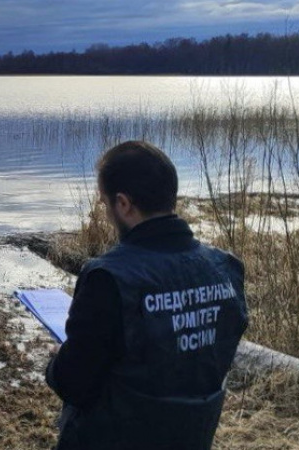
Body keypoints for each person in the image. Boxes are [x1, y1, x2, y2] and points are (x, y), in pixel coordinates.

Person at [46, 141, 249, 450]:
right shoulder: (227, 268)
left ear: (124, 204)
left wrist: (52, 365)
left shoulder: (108, 277)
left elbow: (73, 384)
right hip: (192, 436)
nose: (105, 211)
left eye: (104, 202)